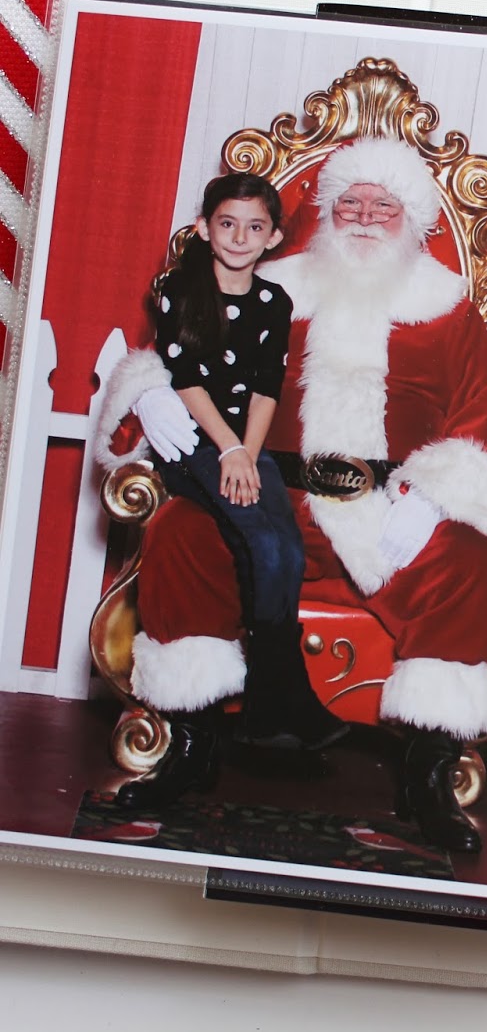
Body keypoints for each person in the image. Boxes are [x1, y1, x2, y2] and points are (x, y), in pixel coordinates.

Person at [95, 138, 487, 853]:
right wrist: (153, 391)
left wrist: (433, 497)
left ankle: (429, 773)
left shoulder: (448, 310)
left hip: (386, 509)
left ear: (413, 220)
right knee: (182, 532)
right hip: (265, 495)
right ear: (323, 212)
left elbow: (477, 420)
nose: (364, 216)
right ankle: (189, 744)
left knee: (467, 562)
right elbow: (186, 348)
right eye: (349, 202)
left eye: (383, 206)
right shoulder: (270, 289)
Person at [116, 173, 348, 812]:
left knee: (285, 548)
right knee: (257, 538)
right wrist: (228, 451)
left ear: (273, 237)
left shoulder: (273, 301)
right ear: (203, 228)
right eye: (226, 224)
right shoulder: (178, 289)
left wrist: (250, 451)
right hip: (194, 441)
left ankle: (272, 701)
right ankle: (282, 701)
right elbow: (188, 380)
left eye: (254, 227)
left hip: (247, 442)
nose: (239, 237)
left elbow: (267, 386)